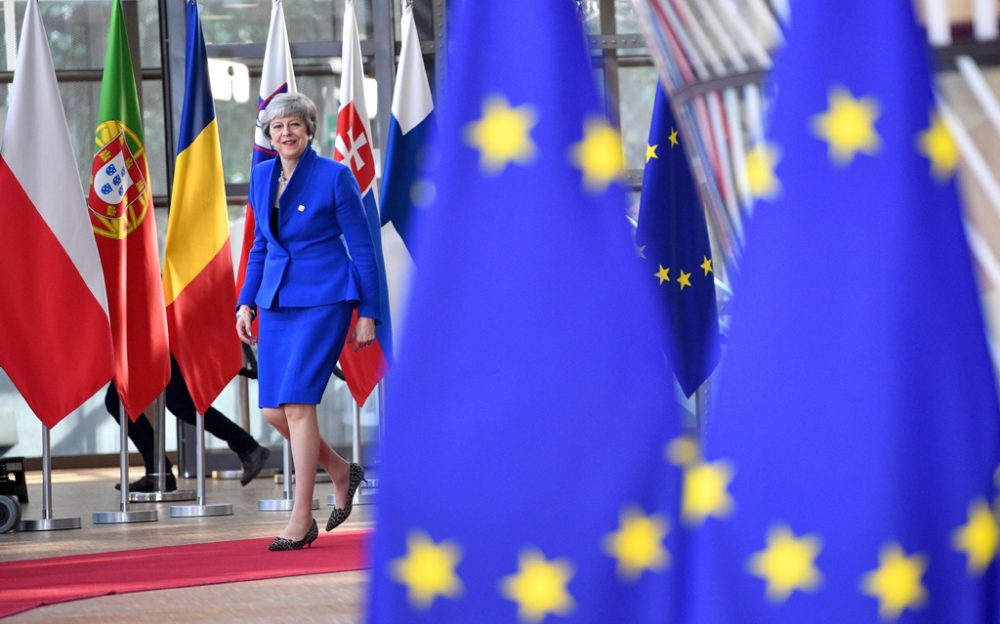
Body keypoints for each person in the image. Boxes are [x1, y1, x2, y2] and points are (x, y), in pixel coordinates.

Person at [236, 92, 378, 551]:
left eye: (295, 124)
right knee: (272, 410)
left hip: (324, 298)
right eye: (278, 127)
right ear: (269, 135)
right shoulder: (261, 177)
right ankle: (340, 469)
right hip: (276, 302)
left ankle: (301, 519)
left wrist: (369, 313)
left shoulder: (335, 177)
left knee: (298, 406)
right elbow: (260, 246)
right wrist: (246, 303)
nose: (286, 133)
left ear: (309, 129)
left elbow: (363, 248)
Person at [106, 355, 271, 492]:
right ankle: (158, 470)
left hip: (156, 332)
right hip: (148, 334)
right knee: (121, 400)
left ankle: (158, 471)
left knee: (178, 402)